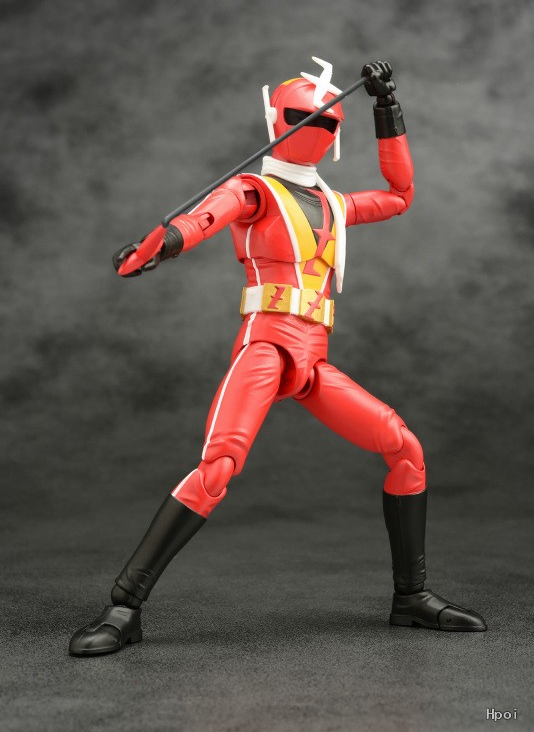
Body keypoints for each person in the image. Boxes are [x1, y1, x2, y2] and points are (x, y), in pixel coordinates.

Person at [69, 58, 486, 657]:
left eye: (326, 119)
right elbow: (205, 216)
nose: (314, 125)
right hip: (265, 348)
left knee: (406, 451)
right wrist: (165, 243)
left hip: (313, 363)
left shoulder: (335, 204)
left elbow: (400, 195)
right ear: (275, 120)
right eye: (300, 115)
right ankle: (123, 607)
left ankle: (411, 596)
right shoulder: (254, 190)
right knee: (218, 467)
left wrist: (386, 110)